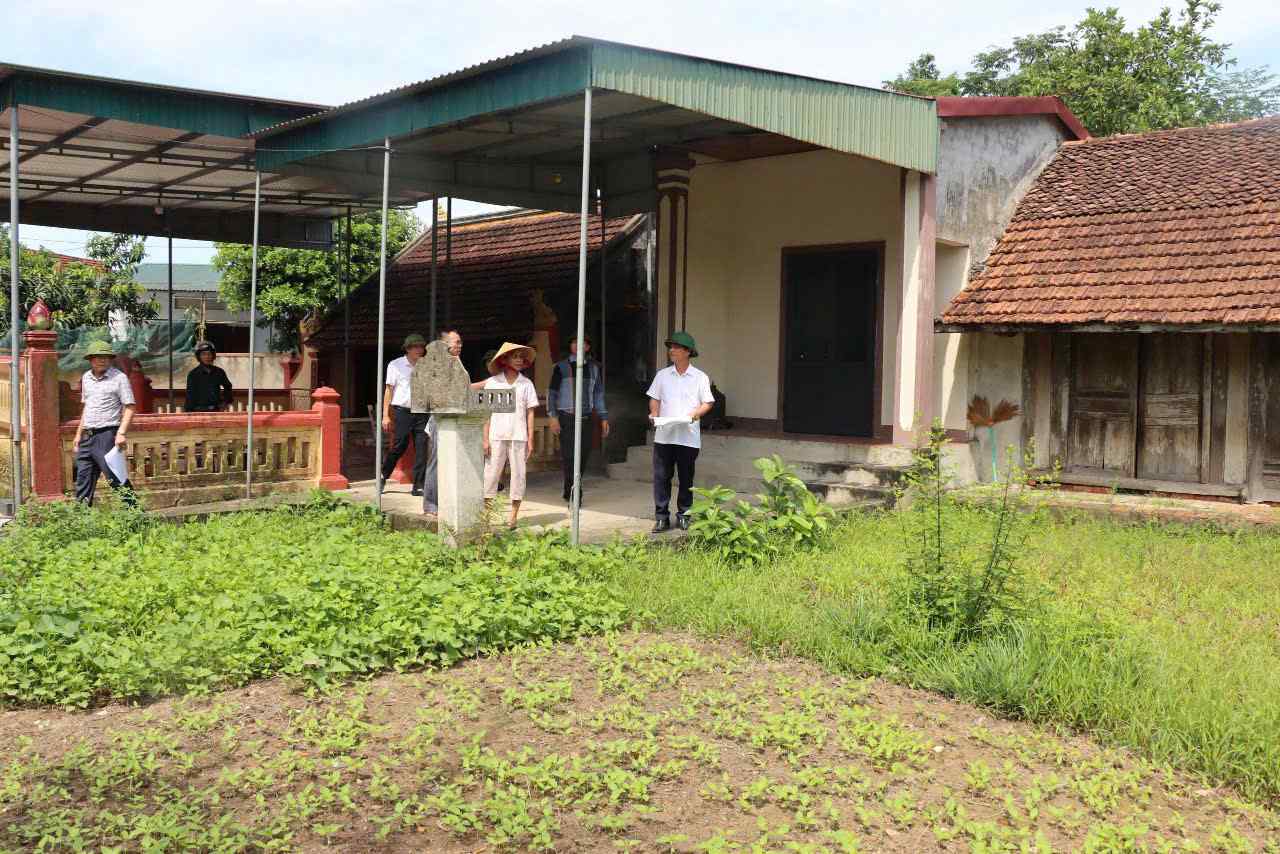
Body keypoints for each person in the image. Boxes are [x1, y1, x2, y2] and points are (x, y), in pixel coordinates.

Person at [647, 331, 714, 532]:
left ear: (687, 352)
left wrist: (695, 414)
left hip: (688, 437)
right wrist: (654, 412)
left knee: (686, 478)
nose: (671, 350)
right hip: (664, 436)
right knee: (661, 477)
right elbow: (654, 398)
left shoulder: (700, 377)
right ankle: (661, 517)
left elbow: (708, 402)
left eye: (676, 347)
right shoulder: (662, 375)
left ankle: (684, 514)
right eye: (671, 347)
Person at [423, 329, 486, 514]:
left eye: (460, 342)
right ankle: (431, 504)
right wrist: (484, 384)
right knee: (436, 461)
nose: (459, 345)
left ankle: (449, 501)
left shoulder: (456, 362)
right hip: (441, 417)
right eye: (455, 342)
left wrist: (483, 384)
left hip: (456, 416)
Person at [71, 340, 138, 507]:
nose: (103, 360)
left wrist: (121, 433)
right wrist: (78, 435)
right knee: (83, 481)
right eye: (99, 357)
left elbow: (130, 407)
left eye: (107, 357)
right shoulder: (86, 378)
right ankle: (81, 522)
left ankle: (136, 517)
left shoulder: (119, 378)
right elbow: (87, 407)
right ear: (90, 359)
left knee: (116, 479)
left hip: (107, 435)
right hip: (87, 437)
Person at [546, 334, 610, 505]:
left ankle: (571, 489)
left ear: (587, 347)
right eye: (574, 342)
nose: (577, 345)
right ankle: (575, 493)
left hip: (586, 418)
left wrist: (603, 417)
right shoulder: (561, 367)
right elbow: (552, 393)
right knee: (569, 456)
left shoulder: (594, 369)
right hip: (566, 417)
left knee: (582, 456)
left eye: (581, 343)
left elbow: (598, 394)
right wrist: (553, 416)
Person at [482, 342, 539, 529]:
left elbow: (530, 412)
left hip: (519, 435)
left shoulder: (526, 384)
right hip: (496, 435)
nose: (519, 360)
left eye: (521, 357)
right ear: (504, 359)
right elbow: (487, 413)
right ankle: (486, 516)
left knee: (519, 475)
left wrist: (531, 438)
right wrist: (485, 438)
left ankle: (513, 517)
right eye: (515, 356)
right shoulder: (494, 383)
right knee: (491, 475)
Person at [380, 333, 429, 495]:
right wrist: (385, 415)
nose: (419, 349)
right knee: (399, 446)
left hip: (422, 411)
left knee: (422, 448)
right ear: (407, 349)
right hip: (402, 411)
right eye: (415, 347)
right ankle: (383, 475)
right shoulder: (395, 365)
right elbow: (389, 390)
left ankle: (418, 485)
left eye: (421, 347)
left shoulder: (426, 365)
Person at [184, 341, 233, 412]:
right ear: (199, 356)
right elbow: (190, 395)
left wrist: (225, 402)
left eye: (209, 354)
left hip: (216, 410)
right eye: (203, 354)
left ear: (213, 355)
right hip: (198, 411)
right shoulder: (193, 374)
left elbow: (228, 387)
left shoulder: (219, 372)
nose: (207, 357)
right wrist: (189, 412)